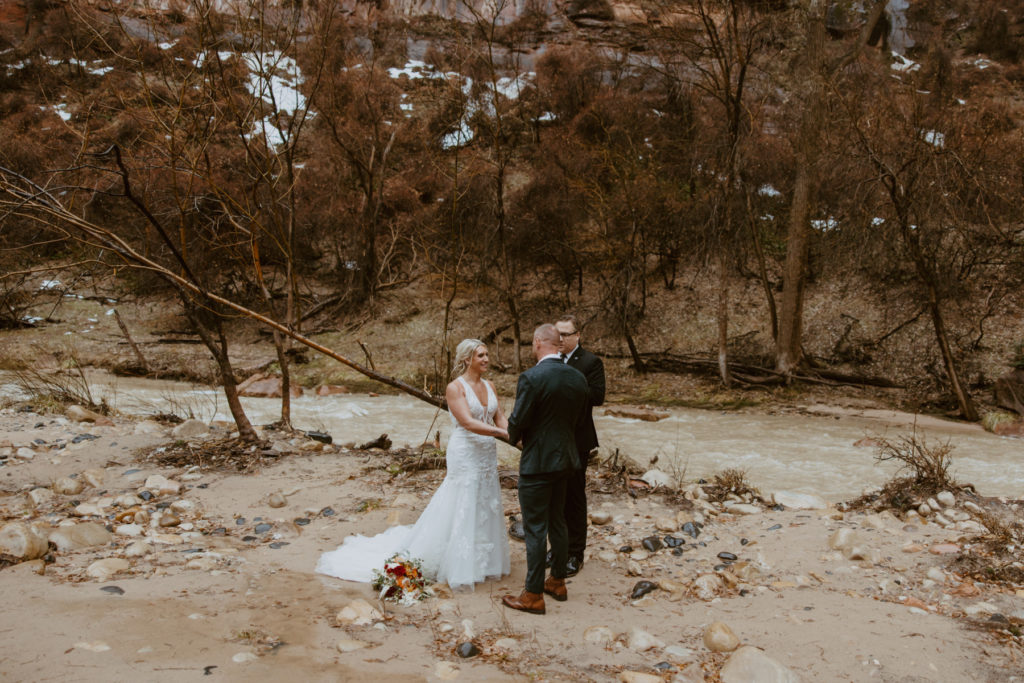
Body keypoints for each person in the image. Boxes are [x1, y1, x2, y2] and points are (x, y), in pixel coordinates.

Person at [316, 339, 511, 591]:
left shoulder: (490, 385)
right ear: (466, 359)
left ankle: (485, 561)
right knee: (463, 500)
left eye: (486, 355)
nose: (486, 359)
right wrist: (502, 433)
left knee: (486, 500)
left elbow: (500, 416)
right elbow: (467, 422)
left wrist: (510, 430)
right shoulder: (455, 388)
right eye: (480, 355)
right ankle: (459, 564)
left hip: (487, 452)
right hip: (466, 452)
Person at [502, 324, 589, 615]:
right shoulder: (577, 378)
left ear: (539, 343)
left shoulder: (531, 377)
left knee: (535, 528)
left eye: (532, 343)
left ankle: (533, 595)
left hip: (538, 462)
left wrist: (513, 435)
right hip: (566, 460)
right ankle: (558, 581)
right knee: (558, 523)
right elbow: (577, 421)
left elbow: (519, 418)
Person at [553, 314, 605, 577]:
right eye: (557, 334)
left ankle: (576, 554)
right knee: (555, 496)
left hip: (577, 439)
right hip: (551, 438)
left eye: (565, 334)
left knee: (574, 497)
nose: (560, 339)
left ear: (577, 335)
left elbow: (598, 396)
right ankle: (558, 547)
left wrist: (567, 381)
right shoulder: (549, 358)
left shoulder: (590, 362)